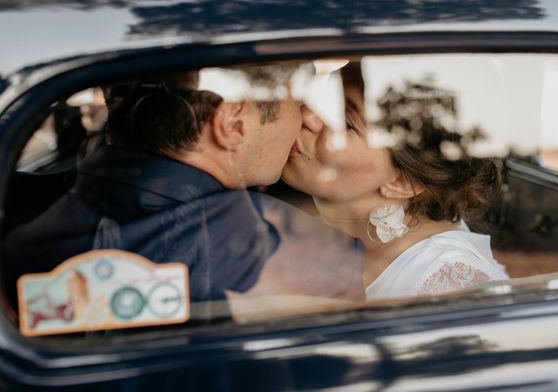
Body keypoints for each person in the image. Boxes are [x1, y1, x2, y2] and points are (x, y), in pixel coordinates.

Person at [3, 69, 364, 308]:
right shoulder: (316, 261)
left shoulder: (16, 205)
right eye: (296, 102)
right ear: (232, 123)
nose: (303, 118)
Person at [282, 63, 508, 299]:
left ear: (402, 182)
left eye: (347, 123)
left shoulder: (444, 286)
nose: (308, 115)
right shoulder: (319, 234)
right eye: (325, 93)